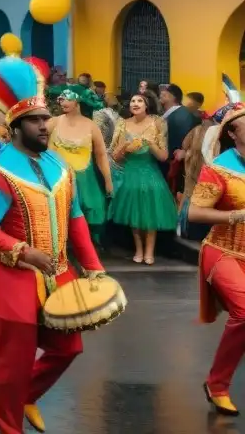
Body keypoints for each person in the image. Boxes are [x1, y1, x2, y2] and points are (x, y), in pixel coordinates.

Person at [0, 56, 105, 434]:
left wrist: (93, 265)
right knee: (14, 362)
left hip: (59, 272)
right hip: (14, 276)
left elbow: (74, 218)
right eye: (35, 120)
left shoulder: (60, 166)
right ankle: (9, 423)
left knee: (68, 348)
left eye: (46, 119)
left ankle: (16, 400)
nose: (45, 126)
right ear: (15, 127)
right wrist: (22, 251)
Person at [188, 94, 245, 416]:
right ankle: (218, 384)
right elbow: (195, 213)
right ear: (232, 134)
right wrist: (235, 216)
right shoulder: (220, 169)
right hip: (223, 250)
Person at [109, 90, 177, 264]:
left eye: (140, 100)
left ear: (147, 105)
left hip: (150, 173)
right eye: (133, 100)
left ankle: (149, 251)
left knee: (150, 215)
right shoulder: (122, 124)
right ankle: (138, 250)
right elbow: (115, 157)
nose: (135, 104)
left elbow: (163, 156)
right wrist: (125, 147)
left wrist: (150, 143)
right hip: (130, 173)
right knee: (134, 216)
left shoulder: (157, 122)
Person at [47, 84, 113, 246]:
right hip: (57, 179)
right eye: (61, 98)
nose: (63, 102)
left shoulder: (91, 126)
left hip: (85, 179)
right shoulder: (52, 123)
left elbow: (101, 155)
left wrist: (108, 180)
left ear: (78, 101)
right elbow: (34, 144)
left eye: (67, 98)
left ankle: (86, 252)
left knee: (90, 211)